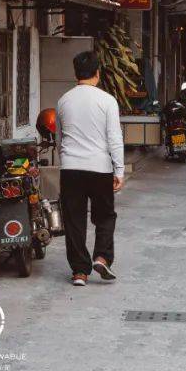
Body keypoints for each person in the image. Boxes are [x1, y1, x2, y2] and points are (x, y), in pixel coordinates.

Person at [56, 50, 124, 287]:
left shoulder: (64, 100)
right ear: (98, 73)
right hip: (100, 167)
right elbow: (114, 138)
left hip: (71, 168)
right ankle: (102, 257)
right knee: (105, 215)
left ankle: (79, 272)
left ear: (76, 73)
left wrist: (64, 160)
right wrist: (119, 170)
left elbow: (59, 138)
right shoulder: (107, 101)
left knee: (74, 219)